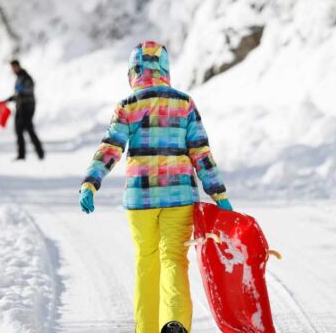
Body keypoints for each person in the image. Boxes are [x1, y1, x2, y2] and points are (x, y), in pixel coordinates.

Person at [79, 41, 233, 333]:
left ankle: (146, 329)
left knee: (146, 263)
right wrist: (219, 194)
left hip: (140, 200)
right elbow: (201, 152)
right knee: (174, 259)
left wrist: (91, 183)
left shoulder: (128, 105)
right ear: (165, 70)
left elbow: (111, 148)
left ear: (133, 71)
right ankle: (174, 322)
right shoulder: (184, 103)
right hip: (180, 198)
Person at [6, 60, 44, 161]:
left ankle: (40, 153)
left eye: (14, 67)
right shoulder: (19, 77)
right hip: (20, 107)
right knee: (18, 130)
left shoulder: (25, 77)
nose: (13, 70)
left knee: (29, 129)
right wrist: (9, 99)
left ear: (17, 66)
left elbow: (29, 89)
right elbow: (18, 93)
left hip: (27, 107)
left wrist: (22, 90)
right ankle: (21, 155)